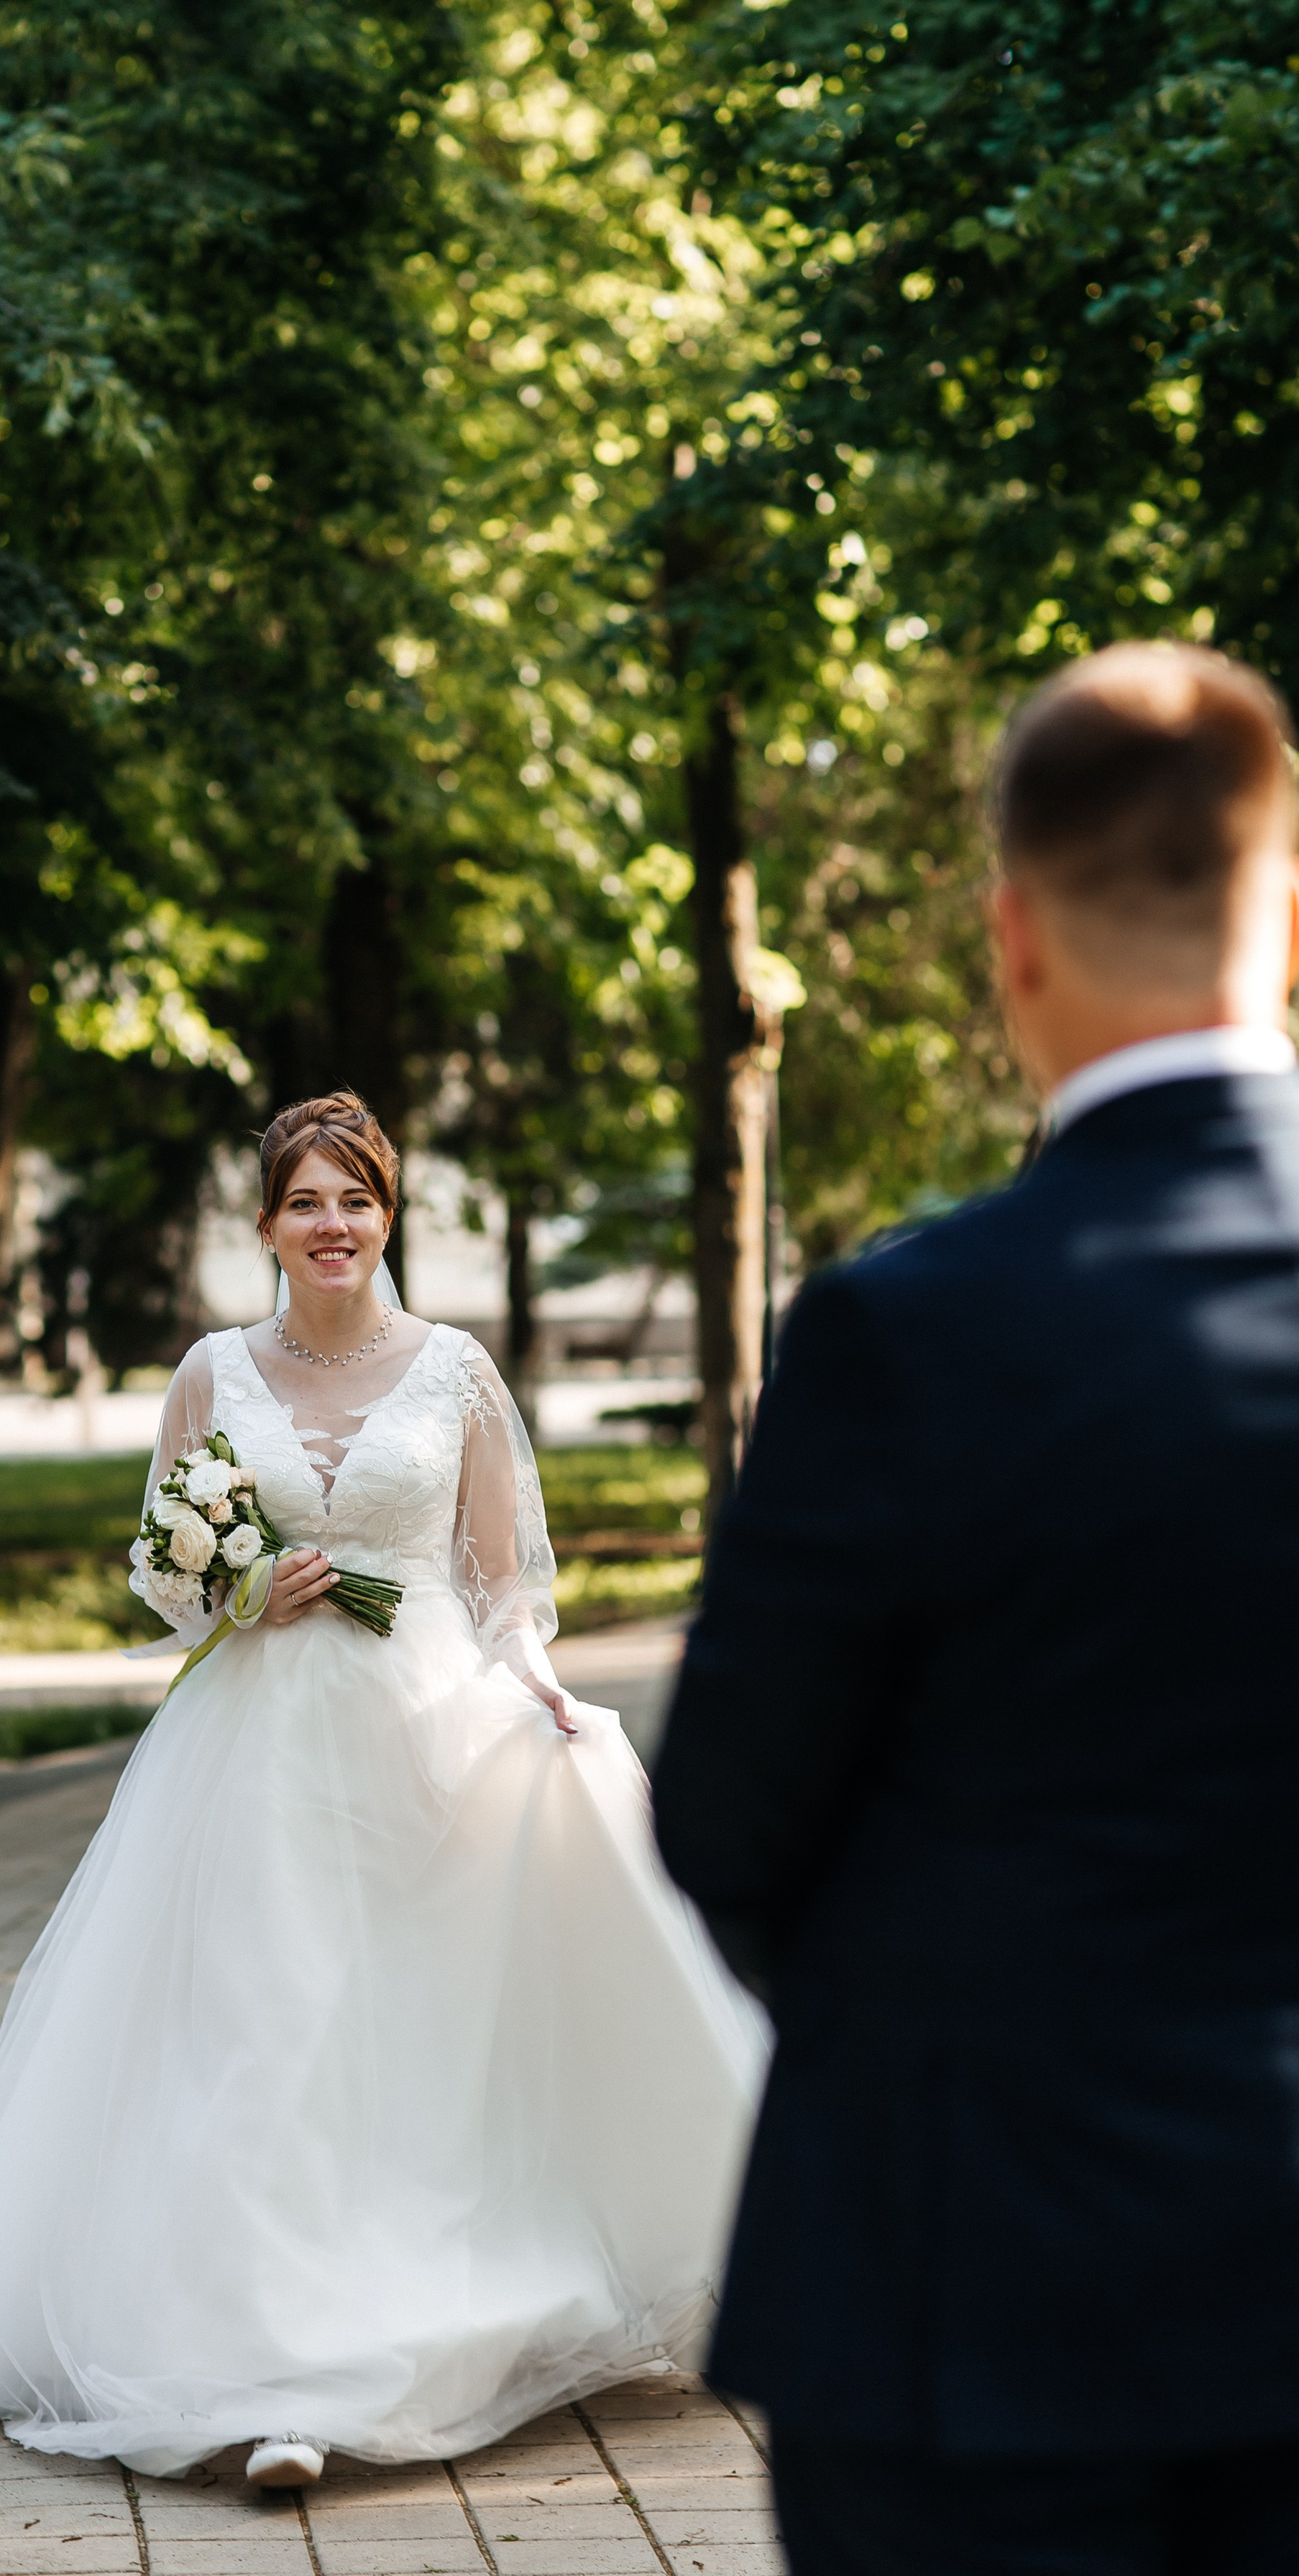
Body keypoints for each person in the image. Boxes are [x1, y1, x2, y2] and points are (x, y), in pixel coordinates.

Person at [0, 1089, 764, 2490]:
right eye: (306, 1202)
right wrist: (237, 1585)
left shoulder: (452, 1371)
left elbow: (504, 1586)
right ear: (265, 1224)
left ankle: (440, 2297)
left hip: (428, 1742)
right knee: (269, 2032)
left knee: (409, 2043)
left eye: (357, 1199)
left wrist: (541, 1688)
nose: (333, 1225)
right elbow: (158, 1567)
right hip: (259, 1745)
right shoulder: (213, 1371)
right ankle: (280, 2382)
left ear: (386, 1216)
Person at [653, 641, 1299, 2574]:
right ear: (1285, 918)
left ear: (1011, 936)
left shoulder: (900, 1332)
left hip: (968, 2299)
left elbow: (727, 1819)